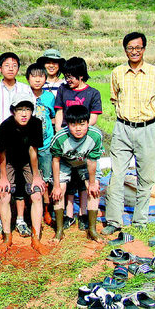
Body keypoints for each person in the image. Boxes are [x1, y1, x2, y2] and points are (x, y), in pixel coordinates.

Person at [103, 32, 155, 235]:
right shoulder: (117, 73)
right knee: (116, 177)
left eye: (138, 48)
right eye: (130, 48)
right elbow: (115, 99)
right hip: (122, 128)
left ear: (144, 49)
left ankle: (140, 221)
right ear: (125, 50)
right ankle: (114, 220)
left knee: (145, 178)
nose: (134, 52)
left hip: (147, 129)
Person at [0, 52, 33, 239]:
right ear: (0, 68)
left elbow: (31, 114)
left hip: (22, 144)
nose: (11, 68)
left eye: (14, 65)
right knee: (0, 182)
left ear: (18, 68)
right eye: (6, 65)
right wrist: (9, 130)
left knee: (20, 182)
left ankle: (20, 219)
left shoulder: (25, 89)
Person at [54, 57, 102, 231]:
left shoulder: (92, 93)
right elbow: (59, 113)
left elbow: (94, 118)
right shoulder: (63, 90)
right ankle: (68, 216)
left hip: (84, 139)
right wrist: (61, 131)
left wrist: (81, 132)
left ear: (81, 75)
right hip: (66, 138)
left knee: (84, 181)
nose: (68, 80)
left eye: (71, 76)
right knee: (67, 180)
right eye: (66, 76)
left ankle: (83, 214)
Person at [0, 92, 46, 252]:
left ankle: (36, 237)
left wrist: (36, 176)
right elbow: (1, 154)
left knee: (37, 194)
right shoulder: (5, 126)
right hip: (8, 160)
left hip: (27, 161)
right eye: (20, 109)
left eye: (27, 109)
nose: (24, 113)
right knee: (5, 194)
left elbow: (33, 151)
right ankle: (7, 236)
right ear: (13, 111)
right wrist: (3, 178)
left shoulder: (36, 123)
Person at [50, 105, 104, 243]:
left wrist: (92, 183)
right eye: (73, 125)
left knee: (94, 189)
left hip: (85, 163)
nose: (78, 128)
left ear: (87, 123)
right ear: (67, 125)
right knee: (59, 191)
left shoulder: (95, 136)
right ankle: (59, 230)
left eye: (82, 124)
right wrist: (56, 186)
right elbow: (55, 161)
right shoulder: (60, 138)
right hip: (65, 163)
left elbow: (92, 161)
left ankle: (92, 229)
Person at [25, 63, 56, 224]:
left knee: (46, 178)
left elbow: (55, 116)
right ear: (27, 78)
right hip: (27, 144)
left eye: (41, 76)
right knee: (29, 177)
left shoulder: (49, 97)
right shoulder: (23, 94)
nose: (37, 80)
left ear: (45, 78)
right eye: (34, 76)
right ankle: (28, 210)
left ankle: (46, 209)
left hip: (46, 144)